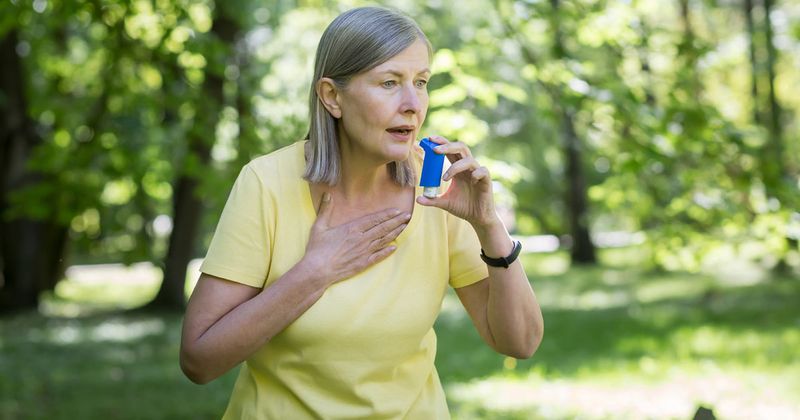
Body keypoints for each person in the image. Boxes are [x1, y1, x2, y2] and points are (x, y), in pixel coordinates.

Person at [180, 6, 543, 419]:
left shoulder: (438, 188)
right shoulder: (266, 183)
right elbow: (199, 360)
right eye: (389, 83)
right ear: (332, 96)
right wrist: (314, 272)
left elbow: (520, 343)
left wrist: (487, 225)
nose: (412, 104)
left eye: (421, 82)